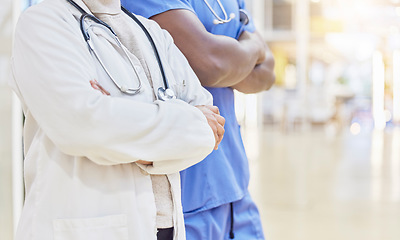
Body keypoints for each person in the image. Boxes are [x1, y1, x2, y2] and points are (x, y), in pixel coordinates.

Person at [9, 0, 226, 239]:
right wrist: (180, 133)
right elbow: (85, 126)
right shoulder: (43, 23)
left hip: (166, 228)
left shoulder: (153, 33)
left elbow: (210, 128)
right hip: (86, 228)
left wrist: (120, 124)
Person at [121, 0, 275, 239]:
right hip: (181, 201)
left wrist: (228, 61)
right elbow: (211, 63)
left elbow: (266, 74)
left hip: (237, 193)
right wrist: (253, 47)